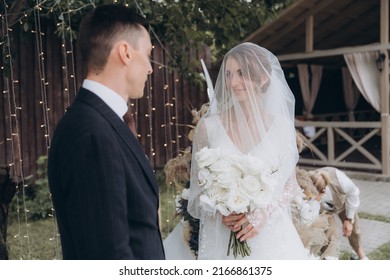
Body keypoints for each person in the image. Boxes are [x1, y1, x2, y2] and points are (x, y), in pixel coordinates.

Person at [48, 4, 165, 260]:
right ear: (125, 52)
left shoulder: (105, 121)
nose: (150, 68)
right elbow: (106, 255)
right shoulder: (91, 134)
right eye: (147, 54)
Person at [183, 42, 310, 259]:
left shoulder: (281, 127)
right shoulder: (209, 127)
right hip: (223, 237)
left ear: (262, 79)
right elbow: (199, 185)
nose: (233, 82)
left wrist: (264, 213)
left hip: (269, 236)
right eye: (229, 74)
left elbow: (289, 184)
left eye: (242, 74)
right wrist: (218, 208)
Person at [308, 167, 369, 260]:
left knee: (354, 230)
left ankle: (359, 255)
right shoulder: (308, 186)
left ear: (323, 190)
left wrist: (348, 219)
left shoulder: (339, 179)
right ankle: (329, 258)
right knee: (329, 235)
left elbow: (354, 193)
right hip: (325, 211)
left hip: (344, 202)